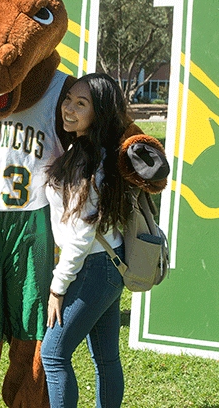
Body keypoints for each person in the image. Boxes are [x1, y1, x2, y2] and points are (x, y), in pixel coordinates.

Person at [40, 73, 168, 408]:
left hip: (92, 267)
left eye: (81, 104)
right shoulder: (89, 150)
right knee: (106, 359)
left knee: (53, 355)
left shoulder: (90, 160)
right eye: (68, 98)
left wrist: (58, 286)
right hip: (110, 265)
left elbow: (81, 234)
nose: (69, 107)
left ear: (99, 112)